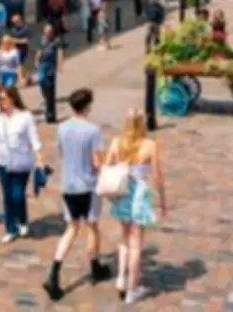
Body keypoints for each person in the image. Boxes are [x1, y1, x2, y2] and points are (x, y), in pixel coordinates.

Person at [43, 89, 111, 300]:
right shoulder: (92, 130)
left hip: (68, 186)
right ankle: (95, 266)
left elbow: (63, 153)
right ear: (87, 106)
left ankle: (54, 272)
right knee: (92, 227)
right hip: (87, 187)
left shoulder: (62, 128)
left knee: (71, 229)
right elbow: (96, 162)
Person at [104, 109, 166, 304]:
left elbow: (107, 166)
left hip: (122, 194)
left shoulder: (116, 142)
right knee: (136, 244)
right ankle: (133, 288)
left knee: (124, 237)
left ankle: (121, 278)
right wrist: (162, 201)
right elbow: (157, 177)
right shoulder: (150, 145)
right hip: (138, 194)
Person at [0, 87, 44, 243]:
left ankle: (22, 220)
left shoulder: (25, 117)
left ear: (13, 98)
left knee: (17, 195)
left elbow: (34, 140)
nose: (2, 102)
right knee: (7, 196)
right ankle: (10, 228)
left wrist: (39, 160)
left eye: (4, 98)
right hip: (3, 162)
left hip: (21, 163)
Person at [36, 24, 64, 123]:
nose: (48, 34)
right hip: (43, 64)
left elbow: (60, 52)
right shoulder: (42, 40)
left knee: (52, 89)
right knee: (41, 79)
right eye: (46, 32)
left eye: (50, 32)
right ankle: (45, 94)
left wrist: (60, 64)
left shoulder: (56, 41)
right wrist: (37, 60)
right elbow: (39, 50)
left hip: (51, 65)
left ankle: (51, 115)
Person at [9, 14, 32, 86]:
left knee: (18, 64)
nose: (15, 24)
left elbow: (26, 41)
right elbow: (11, 40)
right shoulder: (13, 29)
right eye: (13, 23)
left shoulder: (26, 29)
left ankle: (21, 80)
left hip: (23, 49)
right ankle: (28, 77)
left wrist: (16, 40)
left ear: (20, 20)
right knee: (19, 65)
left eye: (16, 22)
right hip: (15, 50)